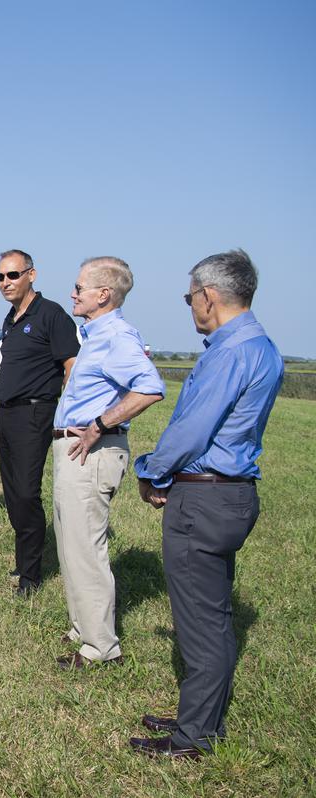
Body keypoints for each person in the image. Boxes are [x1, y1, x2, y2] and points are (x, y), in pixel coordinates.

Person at [129, 250, 283, 760]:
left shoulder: (229, 352)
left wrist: (151, 469)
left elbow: (192, 430)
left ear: (208, 296)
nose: (189, 303)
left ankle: (193, 739)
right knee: (211, 616)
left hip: (204, 496)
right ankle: (198, 717)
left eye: (189, 295)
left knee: (201, 623)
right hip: (232, 495)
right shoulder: (261, 347)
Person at [50, 258, 163, 670]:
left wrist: (99, 424)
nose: (73, 294)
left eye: (79, 287)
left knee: (86, 550)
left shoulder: (116, 335)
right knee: (71, 545)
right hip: (73, 450)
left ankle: (101, 649)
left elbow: (149, 388)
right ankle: (84, 629)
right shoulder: (94, 335)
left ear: (104, 294)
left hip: (91, 452)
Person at [0, 249, 80, 595]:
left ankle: (32, 575)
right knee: (13, 493)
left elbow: (71, 366)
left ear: (31, 274)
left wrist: (68, 413)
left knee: (28, 492)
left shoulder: (51, 315)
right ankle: (24, 559)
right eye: (0, 277)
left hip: (35, 413)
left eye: (12, 275)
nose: (5, 283)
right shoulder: (11, 317)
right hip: (6, 413)